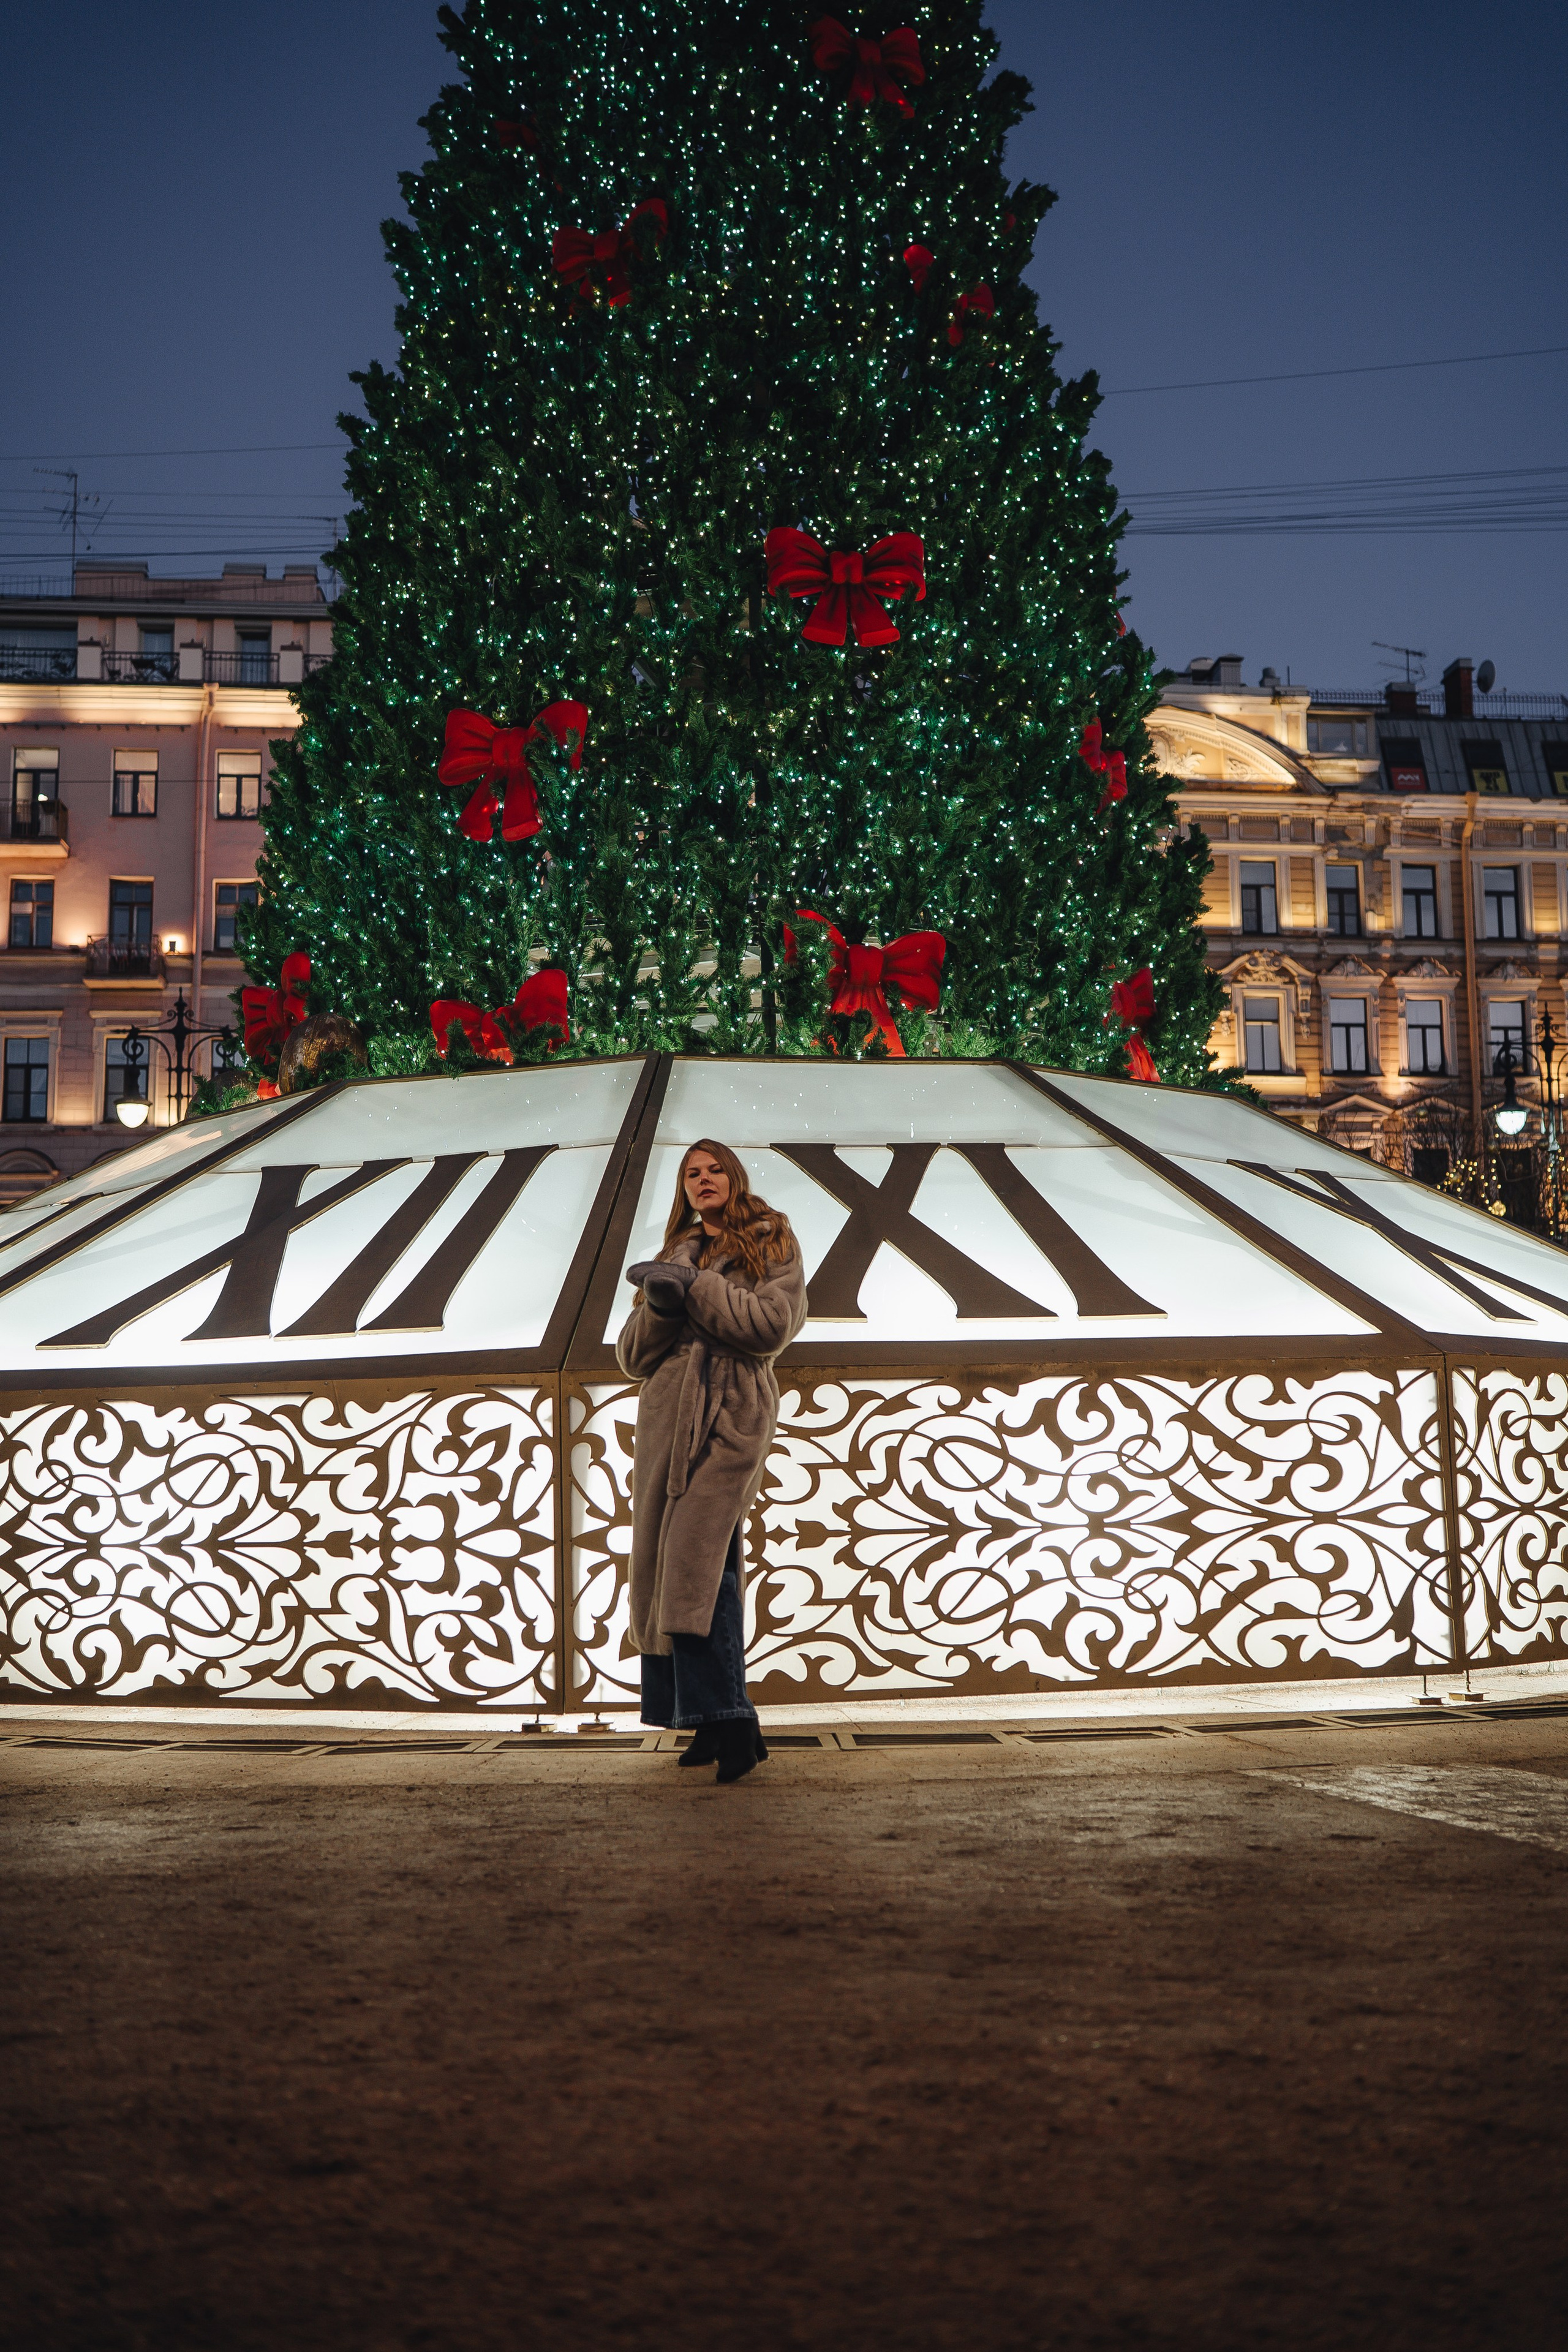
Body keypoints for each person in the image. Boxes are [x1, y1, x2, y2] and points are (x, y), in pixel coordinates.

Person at [618, 1139, 807, 1782]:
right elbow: (631, 1357)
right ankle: (707, 1718)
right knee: (669, 1563)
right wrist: (664, 1304)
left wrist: (698, 1290)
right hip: (667, 1413)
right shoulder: (675, 1251)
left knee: (697, 1561)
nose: (703, 1179)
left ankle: (726, 1719)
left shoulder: (770, 1236)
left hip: (730, 1407)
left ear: (734, 1174)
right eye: (691, 1173)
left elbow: (771, 1325)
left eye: (713, 1168)